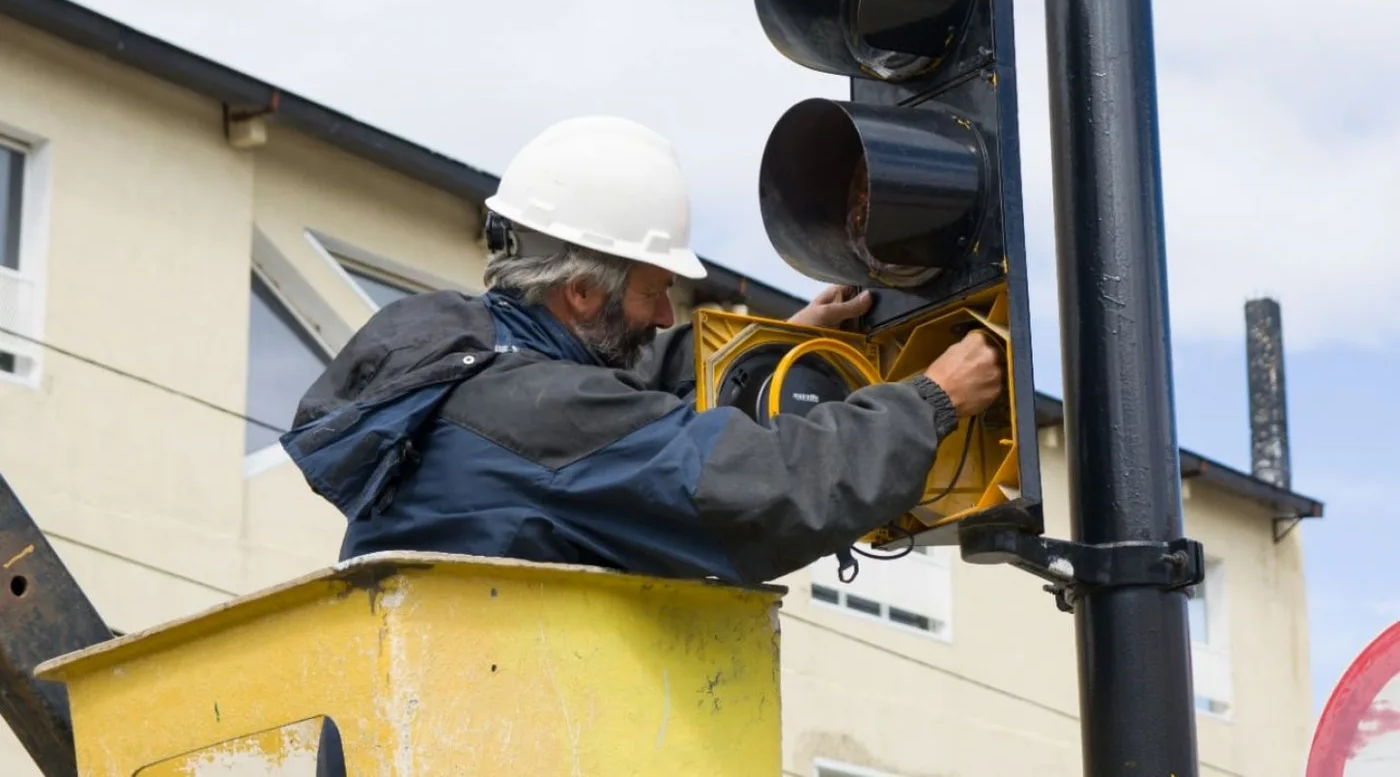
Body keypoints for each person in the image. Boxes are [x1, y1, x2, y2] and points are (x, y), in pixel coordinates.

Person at [281, 114, 1003, 587]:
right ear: (584, 295)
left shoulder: (456, 362)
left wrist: (780, 342)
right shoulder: (547, 416)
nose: (664, 315)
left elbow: (590, 424)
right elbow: (769, 489)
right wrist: (929, 400)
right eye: (655, 290)